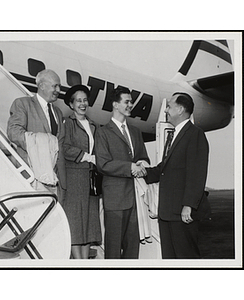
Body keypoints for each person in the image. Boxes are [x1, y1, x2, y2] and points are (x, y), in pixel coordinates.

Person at [143, 92, 210, 259]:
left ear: (180, 109)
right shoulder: (173, 135)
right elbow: (164, 169)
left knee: (186, 258)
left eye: (169, 106)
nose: (166, 110)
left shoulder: (195, 134)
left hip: (182, 212)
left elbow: (197, 172)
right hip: (168, 212)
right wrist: (141, 171)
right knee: (170, 259)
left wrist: (189, 205)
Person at [95, 87, 150, 259]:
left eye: (131, 102)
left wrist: (142, 163)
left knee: (133, 247)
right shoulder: (103, 132)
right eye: (127, 102)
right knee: (113, 247)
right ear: (115, 105)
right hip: (115, 199)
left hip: (135, 199)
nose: (131, 105)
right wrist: (129, 167)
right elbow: (103, 164)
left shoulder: (135, 132)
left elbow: (142, 156)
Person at [7, 69, 66, 203]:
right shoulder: (22, 104)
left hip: (54, 179)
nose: (58, 90)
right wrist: (42, 144)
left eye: (59, 86)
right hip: (32, 174)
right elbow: (13, 131)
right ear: (41, 85)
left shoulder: (58, 112)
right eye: (55, 86)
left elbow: (59, 144)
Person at [62, 85, 102, 259]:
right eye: (78, 100)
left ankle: (84, 262)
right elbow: (64, 147)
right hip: (74, 178)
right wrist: (86, 156)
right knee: (76, 222)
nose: (82, 103)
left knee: (88, 223)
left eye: (85, 100)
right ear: (71, 105)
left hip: (91, 180)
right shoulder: (67, 123)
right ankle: (78, 263)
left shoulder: (94, 125)